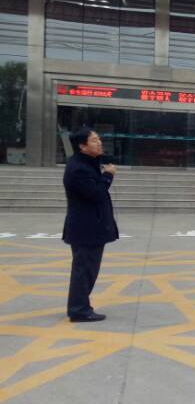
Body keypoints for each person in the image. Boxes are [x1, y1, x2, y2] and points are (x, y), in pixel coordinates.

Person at [62, 128, 119, 322]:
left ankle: (79, 307)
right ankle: (79, 310)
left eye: (99, 138)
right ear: (82, 146)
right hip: (86, 230)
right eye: (94, 140)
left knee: (86, 270)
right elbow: (96, 193)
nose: (99, 142)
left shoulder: (86, 164)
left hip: (89, 228)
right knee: (84, 271)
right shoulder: (78, 169)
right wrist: (108, 176)